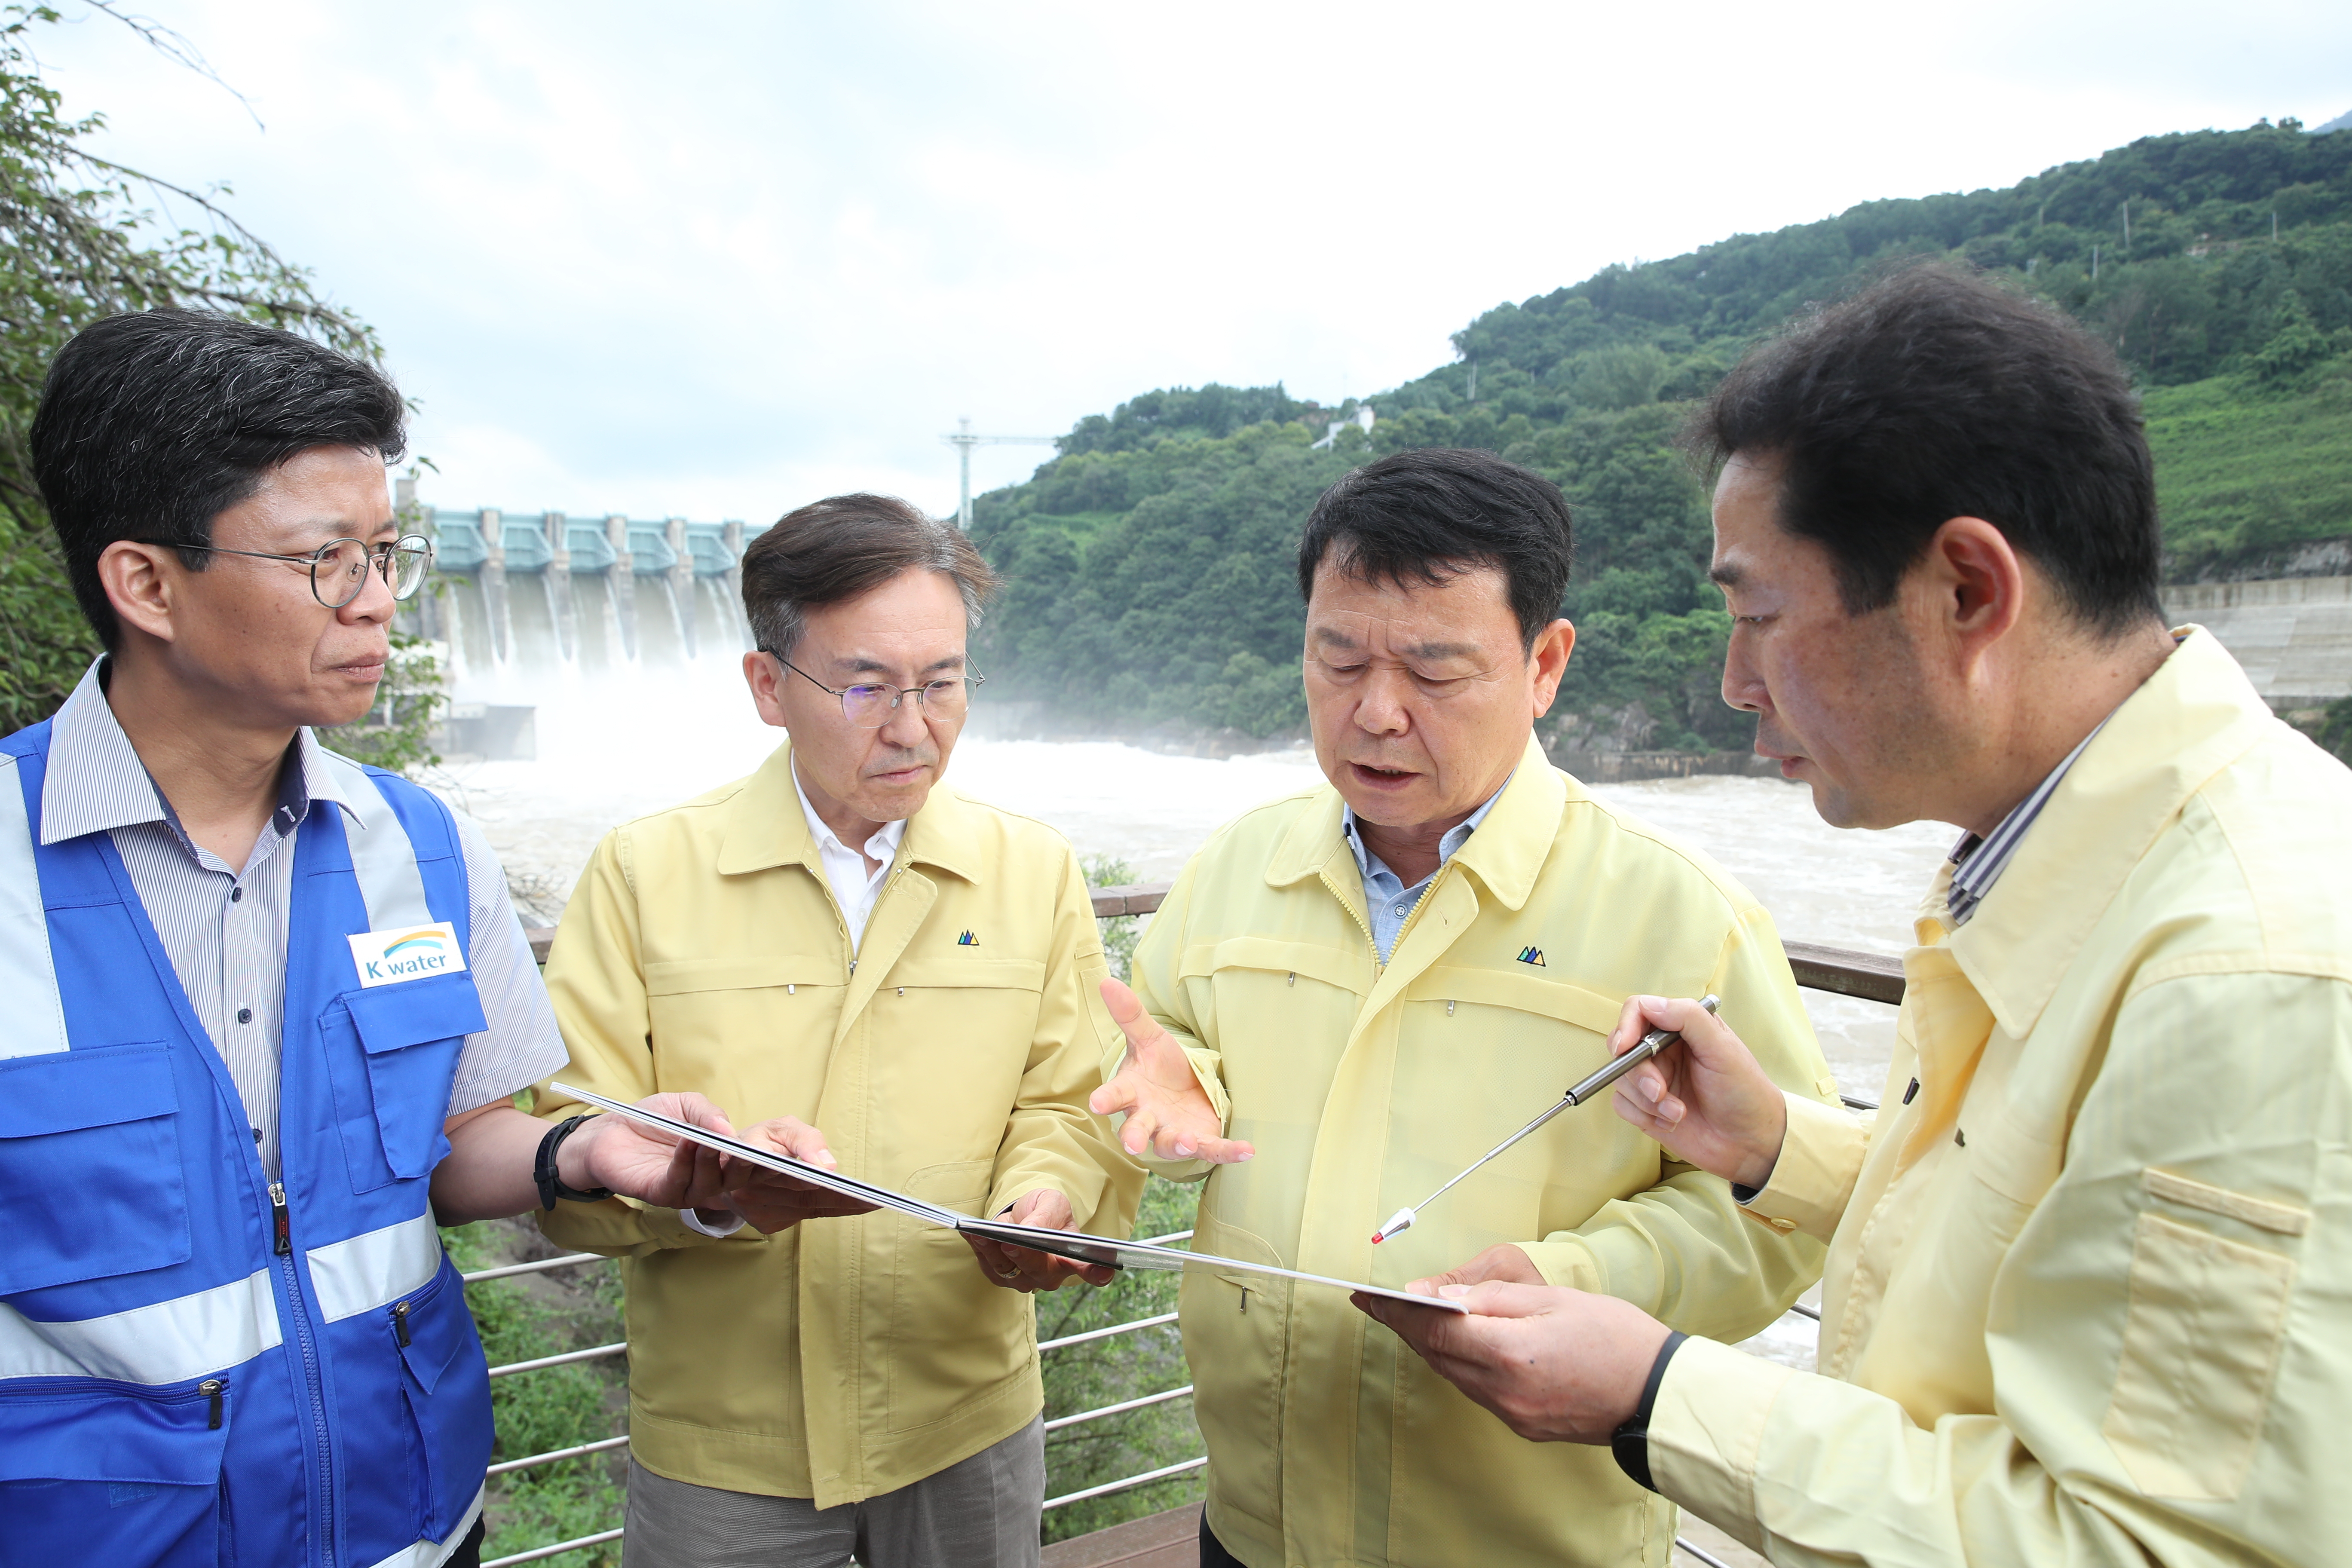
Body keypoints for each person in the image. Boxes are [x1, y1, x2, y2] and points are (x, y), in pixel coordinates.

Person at [1360, 263, 2352, 1566]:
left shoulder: (2249, 968)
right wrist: (1779, 1145)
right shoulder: (2062, 843)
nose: (1732, 682)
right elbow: (2032, 1219)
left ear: (1967, 593)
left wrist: (1659, 1396)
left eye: (1760, 615)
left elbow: (2156, 1544)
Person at [0, 309, 740, 1568]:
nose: (378, 601)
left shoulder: (419, 845)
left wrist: (587, 1149)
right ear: (145, 584)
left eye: (387, 552)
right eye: (325, 561)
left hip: (412, 1525)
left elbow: (447, 1153)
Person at [1088, 447, 1842, 1568]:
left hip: (1528, 1543)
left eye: (1436, 674)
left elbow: (1778, 1213)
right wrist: (1174, 1091)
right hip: (1255, 1526)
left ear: (1546, 664)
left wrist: (1574, 1282)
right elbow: (1157, 1048)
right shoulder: (1237, 869)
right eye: (1337, 660)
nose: (1377, 714)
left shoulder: (1679, 916)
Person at [532, 492, 1145, 1568]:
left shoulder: (1029, 871)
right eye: (866, 685)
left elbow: (1069, 1103)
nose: (913, 727)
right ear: (768, 686)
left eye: (943, 684)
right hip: (727, 1451)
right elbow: (568, 1140)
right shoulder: (646, 874)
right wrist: (709, 1193)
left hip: (967, 1423)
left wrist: (1046, 1198)